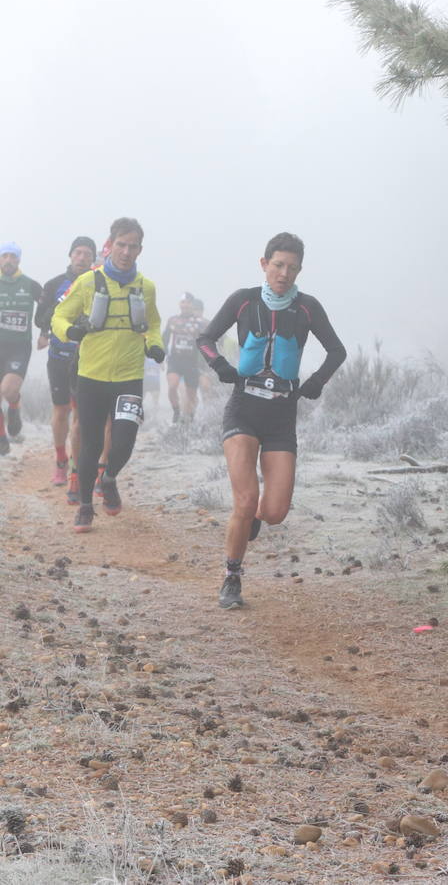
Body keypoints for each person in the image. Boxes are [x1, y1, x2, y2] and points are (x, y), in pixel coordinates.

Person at [197, 232, 346, 610]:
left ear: (299, 271)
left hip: (282, 416)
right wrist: (220, 365)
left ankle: (256, 519)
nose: (284, 273)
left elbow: (336, 351)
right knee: (245, 500)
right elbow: (206, 338)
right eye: (278, 265)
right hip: (243, 409)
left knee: (274, 512)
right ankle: (232, 577)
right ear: (264, 264)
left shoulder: (308, 307)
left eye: (292, 268)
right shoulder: (243, 300)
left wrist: (315, 383)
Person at [51, 218, 164, 532]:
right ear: (110, 245)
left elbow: (153, 323)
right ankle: (86, 505)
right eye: (121, 245)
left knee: (125, 439)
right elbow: (59, 315)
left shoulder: (146, 287)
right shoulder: (88, 282)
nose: (126, 252)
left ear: (140, 249)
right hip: (91, 377)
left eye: (133, 246)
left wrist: (155, 345)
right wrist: (69, 331)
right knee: (90, 443)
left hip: (129, 376)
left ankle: (110, 477)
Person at [36, 237, 96, 490]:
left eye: (87, 254)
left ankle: (75, 465)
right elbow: (40, 319)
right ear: (70, 255)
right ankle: (60, 459)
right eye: (78, 253)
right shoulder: (53, 285)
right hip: (59, 359)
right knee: (61, 411)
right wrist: (60, 308)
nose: (81, 258)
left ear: (93, 259)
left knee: (80, 416)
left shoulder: (99, 284)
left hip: (87, 361)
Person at [0, 241, 43, 456]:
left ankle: (14, 406)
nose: (8, 260)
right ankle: (1, 438)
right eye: (5, 256)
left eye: (13, 256)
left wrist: (45, 330)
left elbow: (49, 305)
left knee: (7, 390)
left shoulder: (29, 285)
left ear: (19, 260)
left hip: (18, 348)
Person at [162, 292, 209, 424]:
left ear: (192, 305)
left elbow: (209, 340)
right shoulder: (173, 320)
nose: (185, 305)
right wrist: (161, 356)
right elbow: (165, 338)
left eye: (188, 302)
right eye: (183, 302)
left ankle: (190, 417)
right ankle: (176, 411)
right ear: (179, 304)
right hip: (175, 360)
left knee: (191, 394)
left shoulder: (200, 323)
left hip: (191, 362)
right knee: (173, 385)